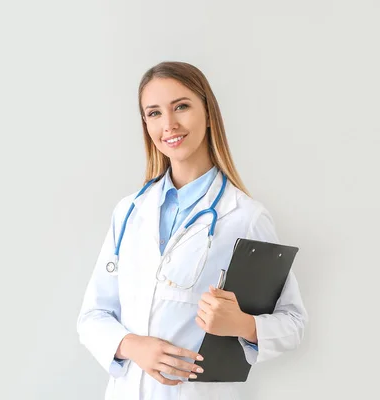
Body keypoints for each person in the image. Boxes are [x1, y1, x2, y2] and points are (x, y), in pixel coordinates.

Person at [76, 61, 308, 400]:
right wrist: (132, 345)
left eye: (181, 106)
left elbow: (293, 323)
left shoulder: (244, 217)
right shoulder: (129, 211)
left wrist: (242, 324)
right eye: (154, 113)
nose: (168, 124)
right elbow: (93, 316)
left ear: (209, 113)